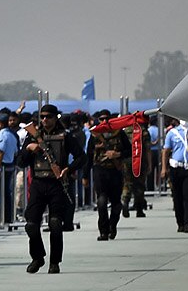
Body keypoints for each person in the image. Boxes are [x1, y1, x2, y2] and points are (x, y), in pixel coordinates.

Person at [17, 105, 87, 274]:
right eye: (42, 117)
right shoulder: (33, 136)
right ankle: (38, 257)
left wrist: (68, 170)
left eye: (48, 117)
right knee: (31, 224)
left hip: (57, 184)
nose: (45, 120)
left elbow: (82, 157)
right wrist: (29, 149)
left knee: (55, 224)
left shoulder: (65, 136)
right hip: (39, 183)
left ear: (56, 117)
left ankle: (54, 262)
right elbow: (20, 162)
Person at [87, 109, 131, 241]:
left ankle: (113, 226)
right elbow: (89, 156)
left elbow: (129, 150)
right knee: (101, 202)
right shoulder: (94, 135)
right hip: (100, 171)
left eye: (106, 119)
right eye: (101, 119)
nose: (104, 121)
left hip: (115, 172)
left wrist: (118, 154)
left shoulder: (119, 133)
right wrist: (84, 175)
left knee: (116, 204)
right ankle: (103, 231)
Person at [0, 110, 20, 226]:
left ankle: (2, 217)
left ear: (0, 123)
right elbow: (15, 152)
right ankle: (8, 216)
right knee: (6, 193)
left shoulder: (1, 135)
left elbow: (0, 152)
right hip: (10, 165)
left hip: (2, 166)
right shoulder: (12, 135)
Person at [121, 124, 149, 218]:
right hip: (140, 160)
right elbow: (147, 149)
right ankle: (139, 209)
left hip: (127, 160)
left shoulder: (124, 130)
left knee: (127, 183)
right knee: (139, 184)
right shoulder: (143, 131)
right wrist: (149, 164)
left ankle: (125, 201)